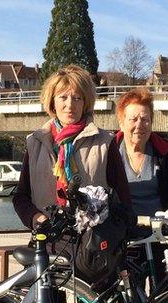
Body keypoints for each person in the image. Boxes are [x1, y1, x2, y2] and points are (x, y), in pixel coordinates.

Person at [12, 64, 132, 285]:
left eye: (77, 98)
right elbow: (21, 196)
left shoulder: (105, 142)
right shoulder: (35, 142)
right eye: (63, 97)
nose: (70, 105)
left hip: (92, 249)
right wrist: (36, 218)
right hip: (47, 245)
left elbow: (123, 201)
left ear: (86, 102)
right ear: (52, 101)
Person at [113, 87, 168, 287]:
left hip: (162, 235)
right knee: (128, 302)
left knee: (165, 298)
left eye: (145, 119)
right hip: (125, 237)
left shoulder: (167, 153)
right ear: (121, 122)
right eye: (133, 119)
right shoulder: (109, 153)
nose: (139, 125)